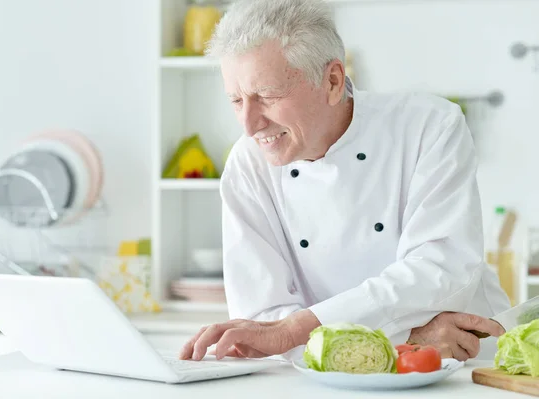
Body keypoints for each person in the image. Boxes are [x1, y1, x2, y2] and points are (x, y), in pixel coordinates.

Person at [179, 0, 511, 363]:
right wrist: (408, 337)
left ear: (333, 81)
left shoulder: (429, 127)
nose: (249, 124)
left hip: (460, 364)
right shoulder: (247, 165)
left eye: (268, 97)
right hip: (332, 374)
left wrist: (296, 329)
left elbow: (441, 270)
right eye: (236, 100)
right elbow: (262, 323)